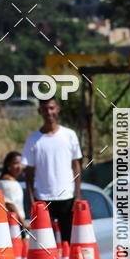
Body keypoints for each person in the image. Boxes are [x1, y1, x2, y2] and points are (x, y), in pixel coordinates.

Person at [22, 97, 82, 242]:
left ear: (57, 109)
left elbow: (76, 166)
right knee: (47, 243)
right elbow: (29, 174)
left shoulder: (69, 135)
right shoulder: (33, 139)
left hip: (67, 197)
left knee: (69, 242)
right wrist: (31, 201)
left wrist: (77, 196)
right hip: (42, 199)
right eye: (45, 109)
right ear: (40, 111)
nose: (49, 112)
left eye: (51, 108)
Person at [0, 151, 30, 231]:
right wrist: (24, 223)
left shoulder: (11, 181)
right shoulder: (6, 182)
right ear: (8, 165)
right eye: (16, 163)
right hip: (13, 225)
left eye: (20, 163)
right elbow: (10, 205)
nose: (19, 166)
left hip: (16, 223)